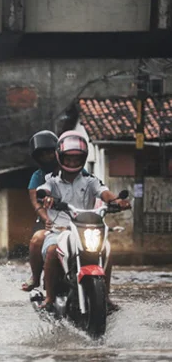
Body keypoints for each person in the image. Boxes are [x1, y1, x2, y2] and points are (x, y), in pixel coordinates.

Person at [36, 131, 131, 311]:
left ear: (83, 159)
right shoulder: (52, 181)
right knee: (51, 251)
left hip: (84, 228)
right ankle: (49, 298)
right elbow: (44, 190)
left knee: (107, 249)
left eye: (76, 159)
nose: (72, 162)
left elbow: (105, 193)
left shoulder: (90, 181)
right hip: (59, 230)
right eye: (69, 159)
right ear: (60, 157)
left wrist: (116, 201)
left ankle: (106, 296)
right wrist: (46, 198)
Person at [22, 130, 90, 291]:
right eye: (42, 154)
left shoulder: (79, 171)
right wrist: (47, 219)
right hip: (51, 222)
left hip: (78, 221)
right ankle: (36, 277)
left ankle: (105, 295)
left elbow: (95, 190)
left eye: (50, 153)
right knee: (37, 240)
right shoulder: (38, 177)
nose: (48, 157)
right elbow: (36, 202)